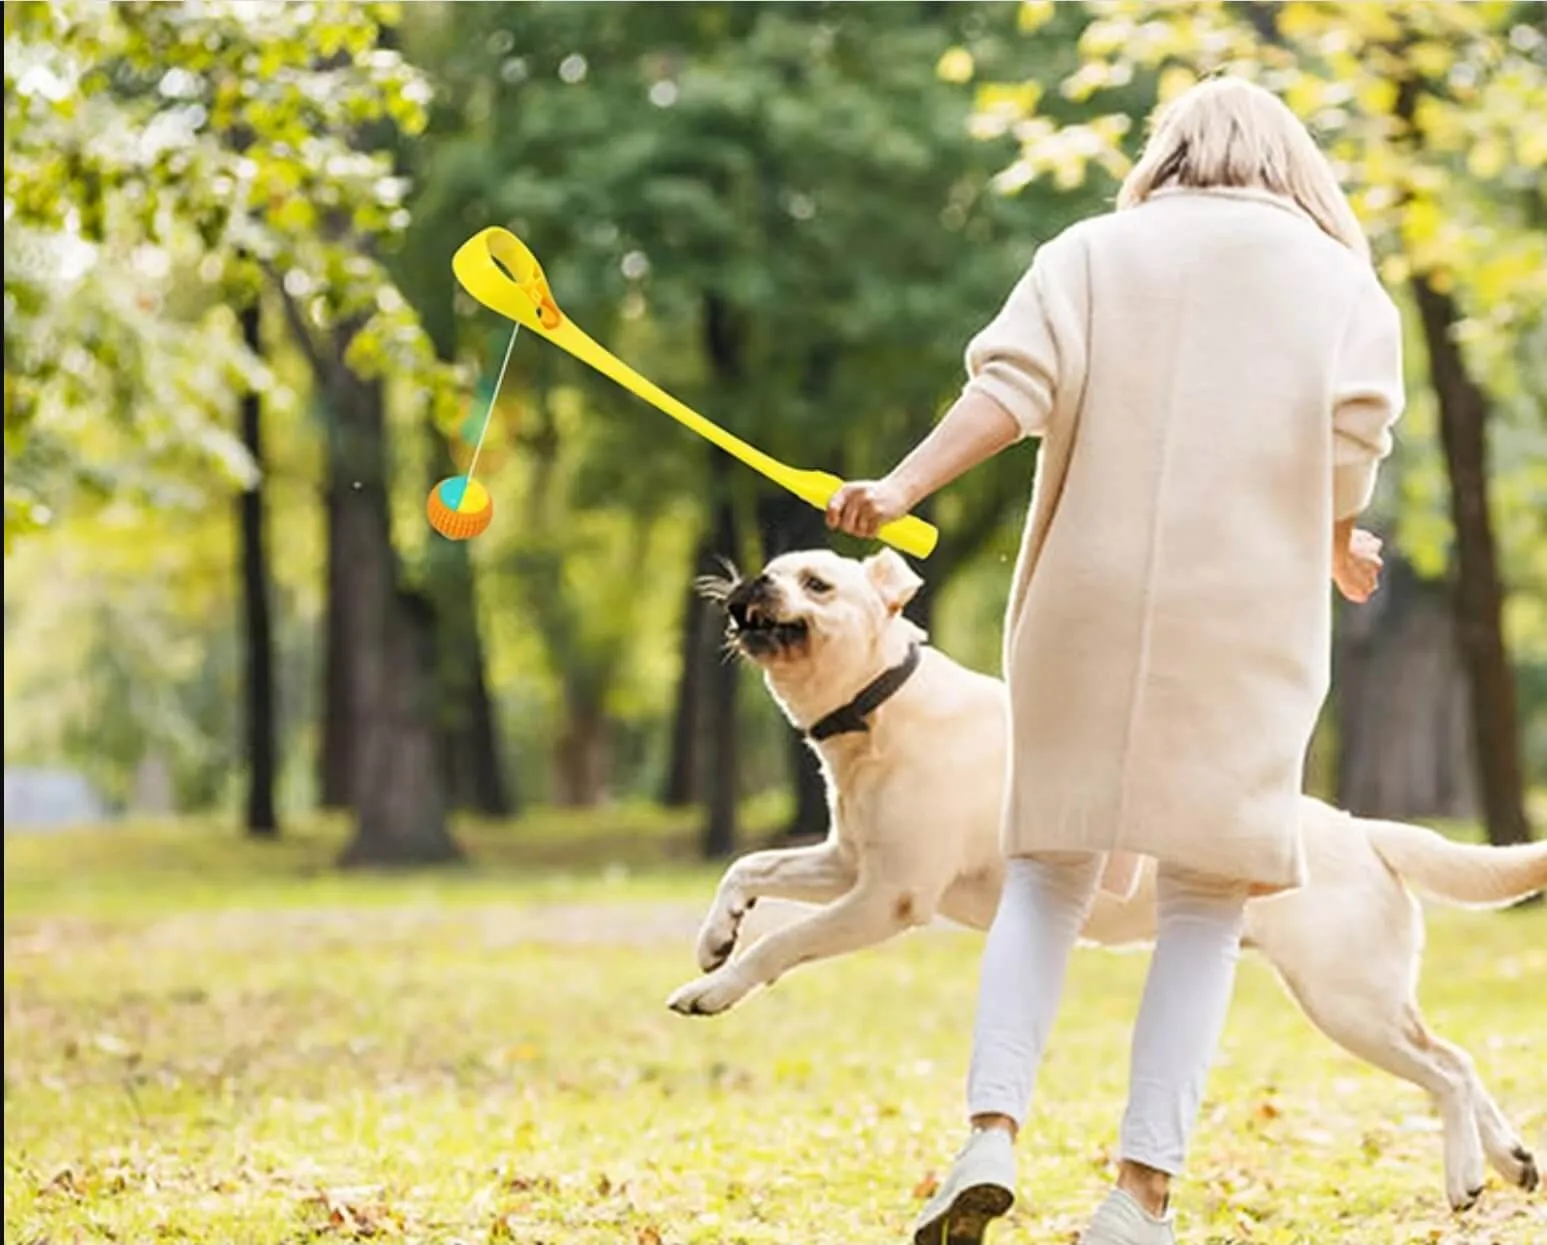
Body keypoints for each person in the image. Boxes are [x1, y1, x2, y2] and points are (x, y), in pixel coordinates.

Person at [826, 77, 1404, 1245]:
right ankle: (1137, 1195)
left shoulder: (1091, 250)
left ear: (1170, 153)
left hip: (1083, 605)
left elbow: (1006, 392)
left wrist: (897, 488)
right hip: (1242, 612)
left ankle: (989, 1132)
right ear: (1287, 160)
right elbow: (1350, 442)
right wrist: (1333, 536)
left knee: (1045, 874)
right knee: (1201, 900)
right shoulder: (1338, 280)